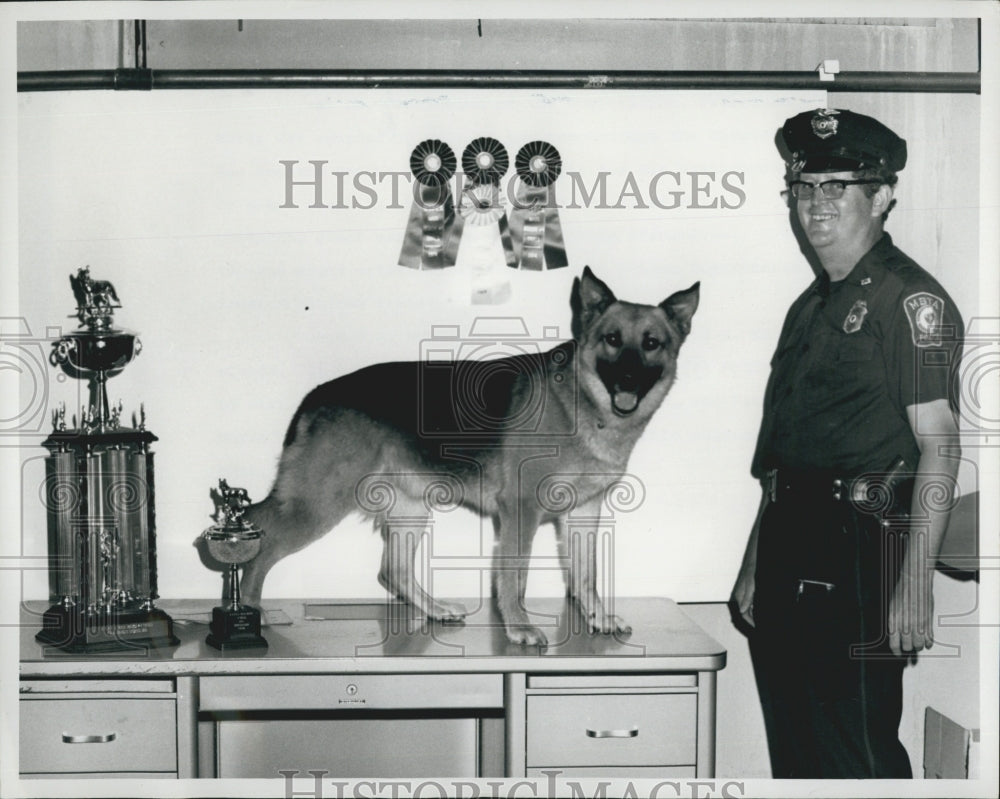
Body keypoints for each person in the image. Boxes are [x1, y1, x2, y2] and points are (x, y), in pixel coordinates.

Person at [731, 108, 964, 778]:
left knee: (854, 751)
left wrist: (915, 578)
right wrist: (756, 558)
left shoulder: (909, 299)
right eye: (804, 188)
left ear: (882, 196)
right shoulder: (808, 307)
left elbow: (940, 445)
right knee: (797, 755)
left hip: (858, 549)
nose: (815, 204)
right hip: (787, 541)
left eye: (837, 187)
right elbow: (787, 456)